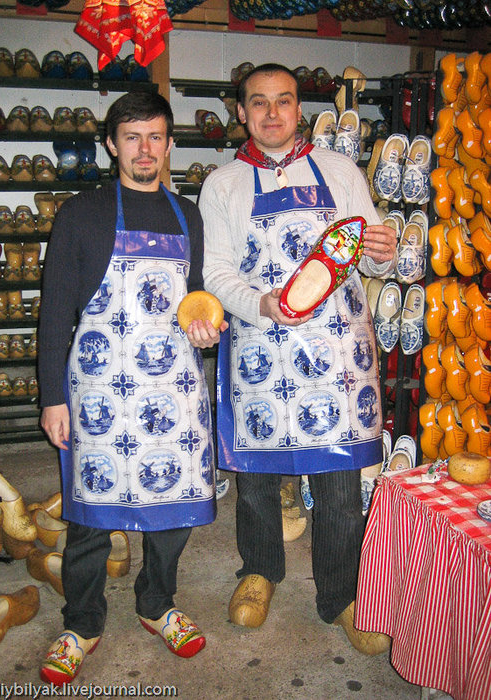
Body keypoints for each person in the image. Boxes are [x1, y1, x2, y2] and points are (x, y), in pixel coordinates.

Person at [199, 63, 397, 655]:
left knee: (337, 479)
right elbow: (215, 273)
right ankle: (259, 571)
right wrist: (260, 303)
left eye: (283, 101)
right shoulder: (223, 184)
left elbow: (374, 260)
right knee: (257, 477)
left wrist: (383, 252)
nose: (271, 113)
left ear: (299, 108)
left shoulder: (339, 172)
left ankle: (341, 594)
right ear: (241, 112)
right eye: (257, 103)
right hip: (263, 346)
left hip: (337, 353)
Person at [38, 90, 227, 685]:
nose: (145, 150)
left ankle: (157, 605)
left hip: (173, 389)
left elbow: (198, 301)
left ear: (170, 144)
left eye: (155, 137)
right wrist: (52, 397)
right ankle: (83, 621)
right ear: (112, 145)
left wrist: (208, 333)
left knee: (172, 514)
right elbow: (54, 314)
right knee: (90, 515)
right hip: (98, 387)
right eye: (132, 138)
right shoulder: (82, 214)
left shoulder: (186, 214)